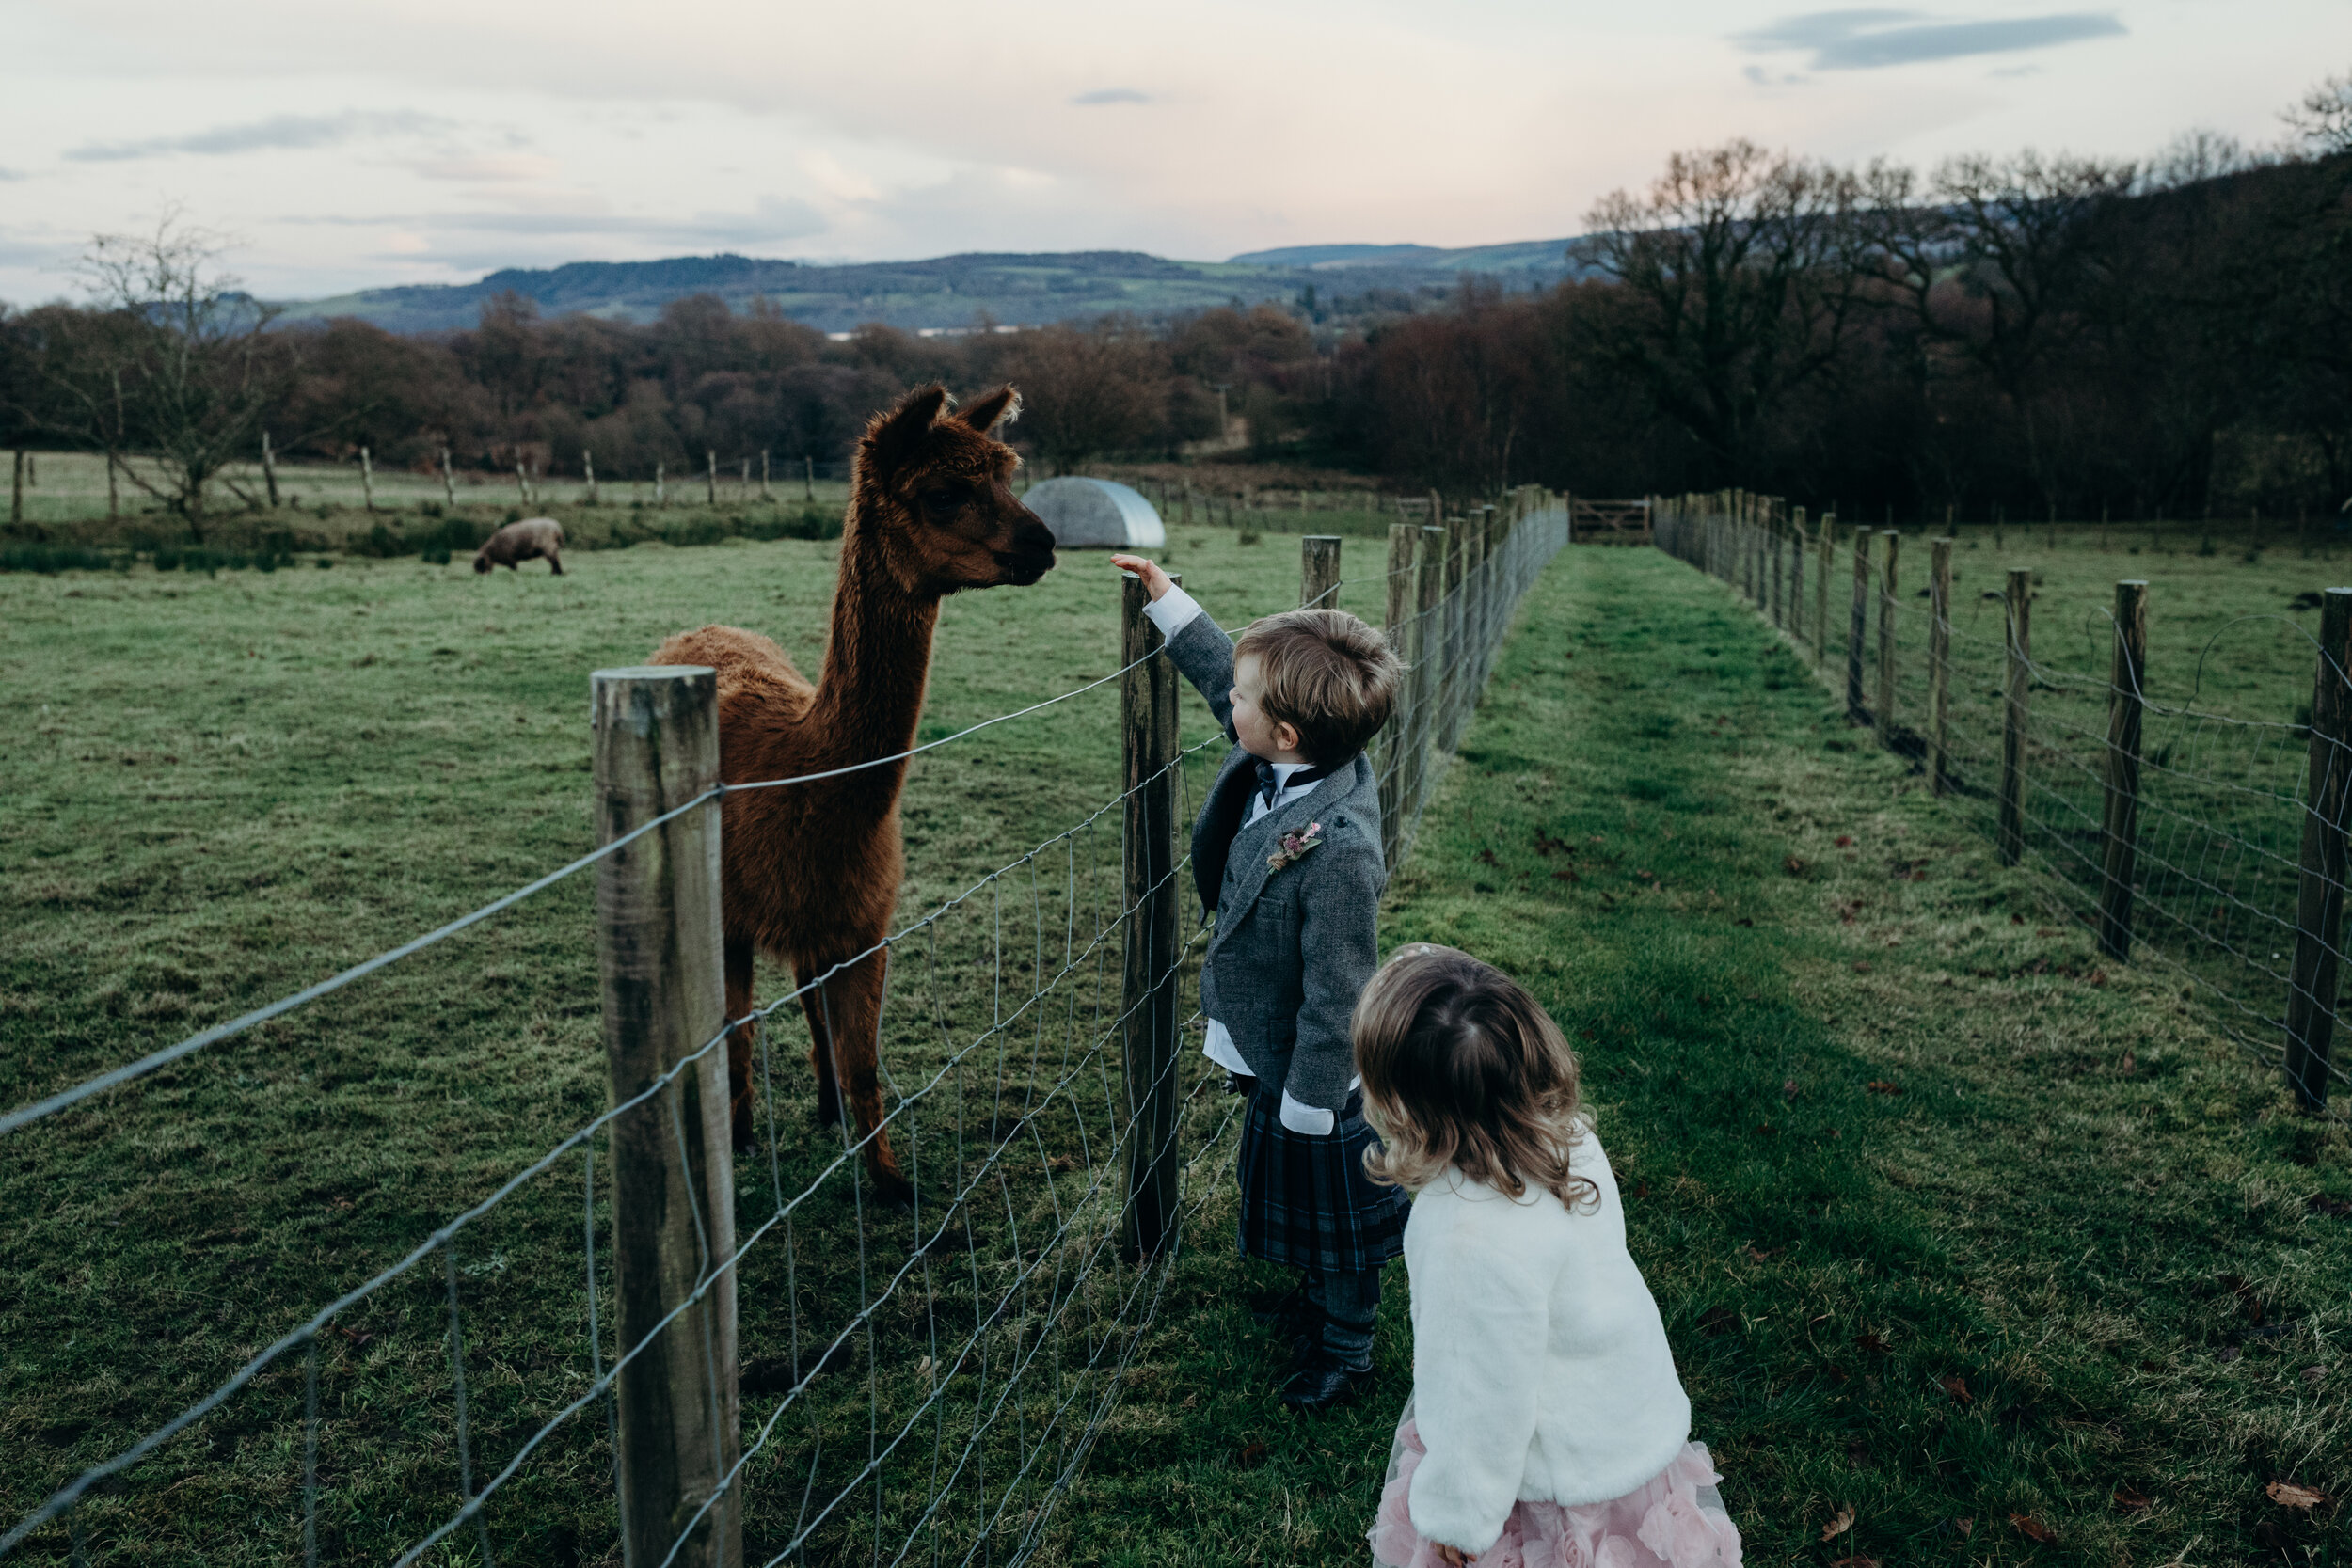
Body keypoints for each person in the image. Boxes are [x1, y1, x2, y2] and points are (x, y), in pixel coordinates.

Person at [1110, 552, 1407, 1413]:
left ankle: (1347, 1351)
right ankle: (1314, 1296)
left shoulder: (1341, 848)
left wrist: (1314, 1099)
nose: (1227, 705)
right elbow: (1221, 680)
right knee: (1299, 1198)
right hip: (1269, 1042)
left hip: (1317, 1071)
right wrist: (1169, 605)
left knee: (1339, 1215)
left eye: (1243, 701)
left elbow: (1341, 990)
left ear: (1283, 734)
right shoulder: (1294, 752)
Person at [1355, 945, 1742, 1567]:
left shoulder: (1463, 1233)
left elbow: (1479, 1388)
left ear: (1403, 1101)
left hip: (1548, 1479)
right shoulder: (1566, 1143)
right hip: (1623, 1424)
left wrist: (1462, 1517)